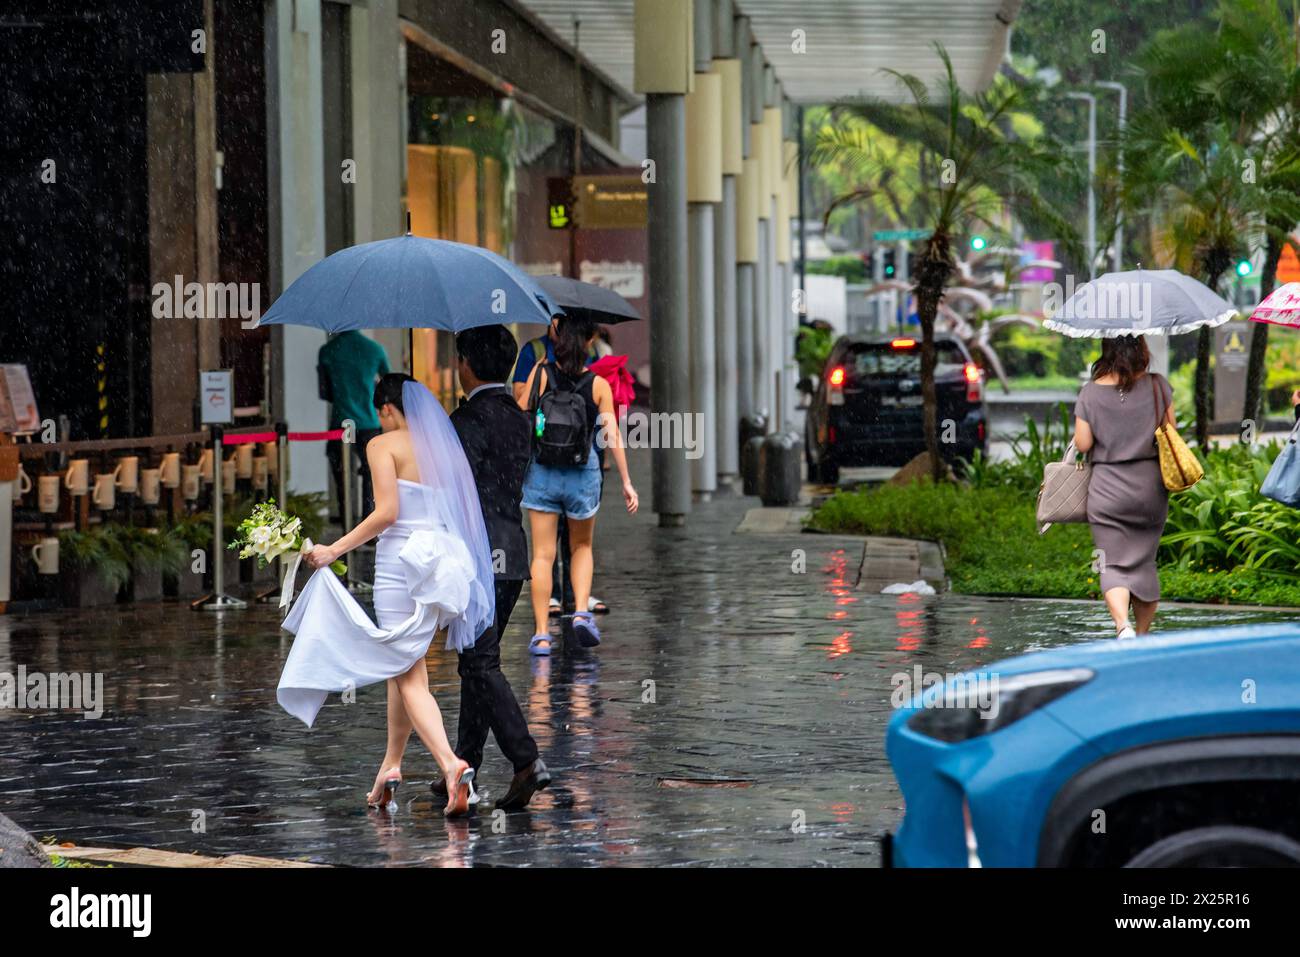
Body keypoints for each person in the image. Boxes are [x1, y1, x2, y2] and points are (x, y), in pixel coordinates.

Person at [276, 374, 493, 818]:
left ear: (388, 410)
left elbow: (388, 513)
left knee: (408, 675)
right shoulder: (443, 450)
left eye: (381, 413)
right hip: (438, 566)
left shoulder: (382, 445)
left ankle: (452, 766)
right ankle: (390, 767)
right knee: (407, 668)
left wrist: (334, 549)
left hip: (399, 567)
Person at [429, 325, 550, 810]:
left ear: (467, 365)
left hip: (476, 556)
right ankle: (462, 764)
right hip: (511, 555)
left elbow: (453, 490)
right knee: (475, 662)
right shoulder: (520, 418)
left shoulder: (466, 421)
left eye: (459, 360)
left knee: (480, 661)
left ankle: (526, 762)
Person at [518, 314, 638, 654]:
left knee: (542, 554)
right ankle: (582, 612)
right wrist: (627, 482)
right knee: (581, 548)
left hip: (542, 471)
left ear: (556, 339)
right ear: (588, 343)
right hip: (582, 472)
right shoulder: (598, 385)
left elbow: (522, 413)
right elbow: (611, 434)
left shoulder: (540, 374)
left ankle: (541, 633)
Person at [1072, 336, 1173, 639]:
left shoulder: (1090, 393)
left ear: (1107, 351)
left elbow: (1083, 443)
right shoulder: (1158, 385)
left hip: (1107, 490)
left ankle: (1122, 626)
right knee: (1145, 561)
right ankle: (1142, 633)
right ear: (1141, 350)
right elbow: (1171, 432)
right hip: (1150, 488)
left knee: (1112, 562)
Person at [513, 317, 611, 616]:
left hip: (579, 455)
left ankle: (570, 598)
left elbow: (522, 407)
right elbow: (523, 398)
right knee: (565, 542)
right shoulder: (535, 351)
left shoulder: (580, 353)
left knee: (569, 541)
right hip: (563, 459)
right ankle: (561, 598)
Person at [318, 330, 390, 521]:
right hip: (368, 421)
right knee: (371, 473)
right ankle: (369, 522)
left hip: (340, 421)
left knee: (341, 474)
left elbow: (325, 393)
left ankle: (346, 521)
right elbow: (388, 385)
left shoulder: (327, 350)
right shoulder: (375, 349)